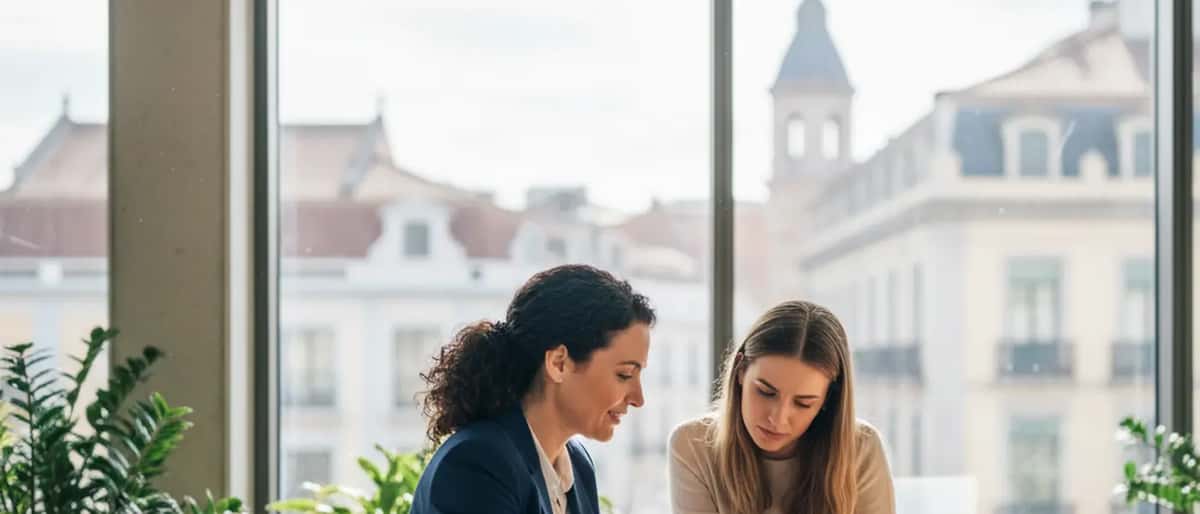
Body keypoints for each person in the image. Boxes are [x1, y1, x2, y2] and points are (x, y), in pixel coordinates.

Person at [412, 264, 656, 514]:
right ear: (558, 363)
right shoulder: (477, 464)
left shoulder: (577, 465)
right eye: (624, 375)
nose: (638, 399)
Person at [669, 300, 895, 514]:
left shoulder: (861, 449)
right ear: (740, 371)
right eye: (765, 392)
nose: (778, 419)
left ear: (827, 400)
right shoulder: (692, 445)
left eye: (803, 403)